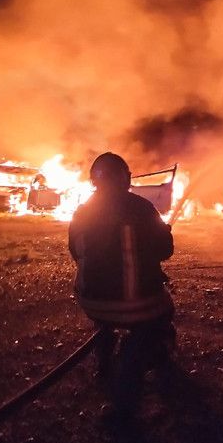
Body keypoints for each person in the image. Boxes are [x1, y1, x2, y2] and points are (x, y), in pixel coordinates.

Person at [69, 152, 175, 417]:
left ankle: (103, 359)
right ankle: (134, 368)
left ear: (94, 181)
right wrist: (165, 234)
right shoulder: (140, 208)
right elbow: (165, 251)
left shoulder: (82, 211)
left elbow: (75, 252)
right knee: (163, 310)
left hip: (90, 301)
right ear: (124, 178)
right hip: (135, 304)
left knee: (106, 319)